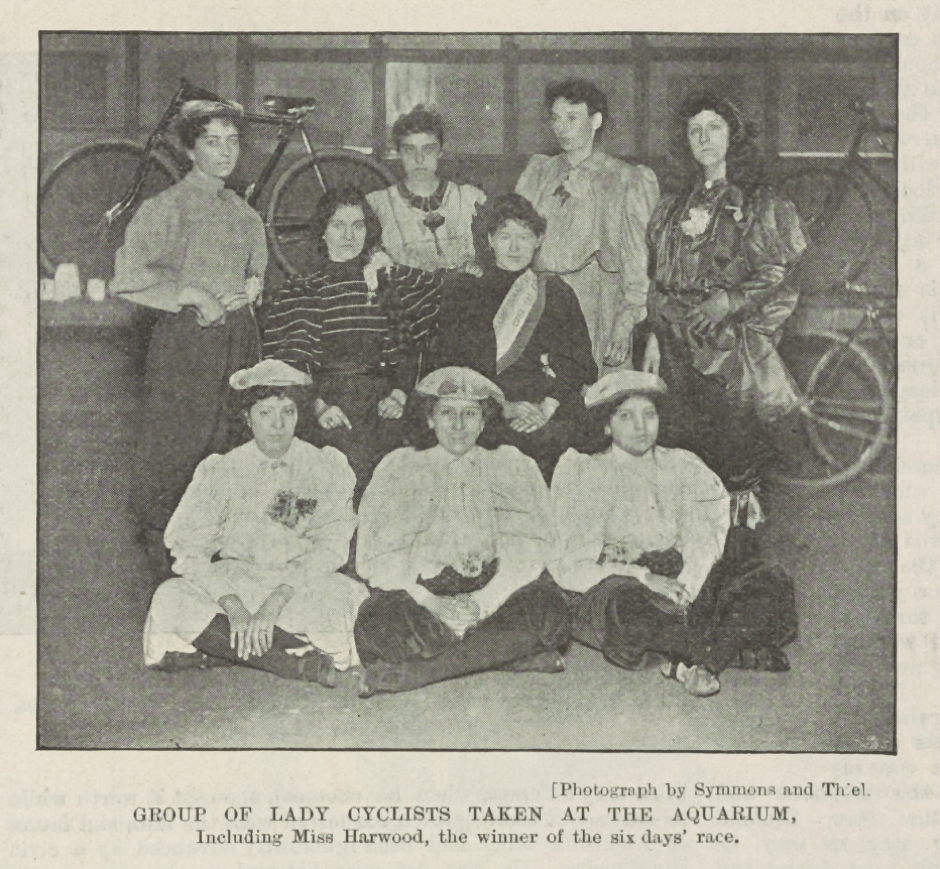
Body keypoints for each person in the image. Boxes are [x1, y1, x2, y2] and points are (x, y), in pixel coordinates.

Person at [551, 371, 797, 697]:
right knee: (624, 610)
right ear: (606, 425)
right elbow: (570, 565)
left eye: (649, 414)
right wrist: (642, 576)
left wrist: (689, 588)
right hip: (630, 583)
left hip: (685, 581)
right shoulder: (587, 471)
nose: (641, 426)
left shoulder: (682, 464)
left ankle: (696, 662)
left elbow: (703, 536)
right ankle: (723, 649)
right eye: (626, 416)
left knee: (769, 576)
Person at [111, 98, 268, 581]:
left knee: (232, 451)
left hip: (238, 343)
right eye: (212, 142)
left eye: (233, 141)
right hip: (187, 345)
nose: (225, 152)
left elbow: (254, 268)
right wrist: (191, 293)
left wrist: (254, 286)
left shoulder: (244, 213)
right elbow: (126, 276)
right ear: (190, 149)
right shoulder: (167, 207)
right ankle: (167, 583)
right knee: (178, 453)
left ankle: (219, 580)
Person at [143, 359, 368, 685]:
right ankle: (289, 659)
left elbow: (333, 546)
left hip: (300, 583)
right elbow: (189, 550)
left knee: (341, 605)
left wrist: (276, 600)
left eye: (287, 411)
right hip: (239, 582)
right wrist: (233, 607)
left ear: (299, 415)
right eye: (265, 413)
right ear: (247, 418)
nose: (277, 425)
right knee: (170, 597)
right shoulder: (223, 469)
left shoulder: (324, 465)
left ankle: (228, 647)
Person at [354, 367, 571, 697]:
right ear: (429, 419)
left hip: (492, 593)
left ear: (484, 422)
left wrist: (485, 601)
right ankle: (502, 655)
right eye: (447, 413)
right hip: (424, 598)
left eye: (470, 414)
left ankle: (422, 673)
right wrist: (430, 602)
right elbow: (376, 555)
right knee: (375, 620)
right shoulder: (400, 466)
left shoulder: (509, 463)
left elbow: (529, 545)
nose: (458, 425)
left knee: (551, 607)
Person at [638, 92, 807, 490]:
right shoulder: (671, 206)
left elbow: (778, 269)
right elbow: (657, 279)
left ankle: (737, 546)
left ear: (734, 136)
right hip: (674, 345)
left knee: (730, 452)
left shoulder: (758, 202)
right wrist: (653, 339)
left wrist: (729, 300)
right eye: (694, 130)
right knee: (680, 448)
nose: (704, 138)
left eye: (715, 127)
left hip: (726, 349)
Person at [262, 187, 442, 502]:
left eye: (358, 225)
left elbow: (408, 348)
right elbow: (290, 366)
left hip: (382, 399)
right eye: (338, 225)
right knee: (342, 467)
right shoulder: (301, 290)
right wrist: (318, 407)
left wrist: (399, 394)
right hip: (327, 400)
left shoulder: (384, 282)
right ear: (322, 232)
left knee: (406, 468)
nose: (349, 235)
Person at [431, 192, 597, 480]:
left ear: (539, 240)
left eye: (525, 236)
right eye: (506, 236)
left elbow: (579, 362)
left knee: (565, 444)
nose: (515, 246)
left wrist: (545, 408)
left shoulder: (556, 292)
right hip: (485, 403)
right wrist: (503, 407)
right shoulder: (464, 290)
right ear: (491, 239)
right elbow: (450, 363)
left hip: (547, 402)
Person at [516, 79, 659, 373]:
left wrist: (627, 320)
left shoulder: (625, 179)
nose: (561, 127)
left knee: (593, 393)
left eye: (572, 118)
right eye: (555, 118)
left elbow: (637, 260)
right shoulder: (539, 172)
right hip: (539, 302)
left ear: (595, 121)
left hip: (595, 304)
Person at [366, 105, 486, 271]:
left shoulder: (469, 199)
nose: (419, 159)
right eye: (410, 150)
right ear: (398, 153)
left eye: (428, 149)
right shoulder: (378, 204)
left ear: (440, 152)